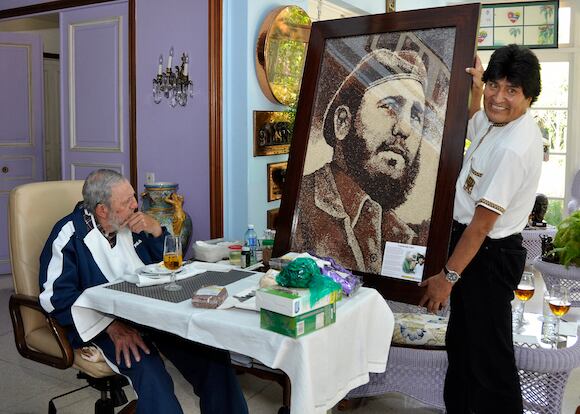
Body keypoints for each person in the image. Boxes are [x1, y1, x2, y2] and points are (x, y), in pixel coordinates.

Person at [39, 169, 248, 414]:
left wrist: (157, 231)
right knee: (152, 376)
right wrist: (110, 326)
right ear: (102, 210)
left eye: (133, 197)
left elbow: (169, 265)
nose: (136, 205)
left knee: (212, 358)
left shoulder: (134, 225)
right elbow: (54, 297)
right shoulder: (69, 235)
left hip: (151, 313)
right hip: (104, 324)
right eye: (127, 202)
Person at [419, 44, 543, 413]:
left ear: (529, 97)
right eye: (494, 85)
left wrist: (447, 277)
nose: (498, 97)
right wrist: (476, 87)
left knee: (489, 363)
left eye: (511, 90)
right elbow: (476, 114)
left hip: (487, 255)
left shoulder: (513, 148)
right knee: (465, 350)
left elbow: (480, 226)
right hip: (477, 248)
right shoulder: (496, 122)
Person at [293, 48, 430, 274]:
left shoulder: (405, 235)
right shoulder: (301, 207)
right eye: (389, 106)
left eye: (415, 116)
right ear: (343, 122)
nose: (405, 128)